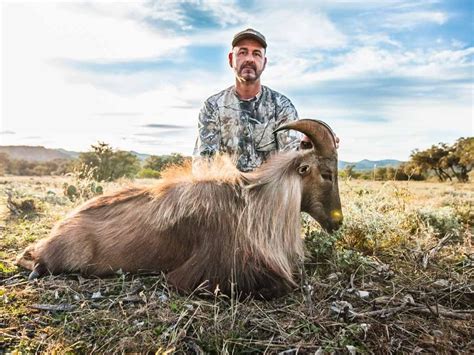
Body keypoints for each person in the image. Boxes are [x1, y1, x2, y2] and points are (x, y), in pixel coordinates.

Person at [193, 28, 301, 172]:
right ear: (231, 59)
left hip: (269, 191)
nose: (249, 59)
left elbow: (291, 159)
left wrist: (315, 145)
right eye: (243, 52)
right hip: (224, 191)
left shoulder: (282, 107)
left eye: (256, 54)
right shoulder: (212, 107)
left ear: (264, 62)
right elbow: (205, 164)